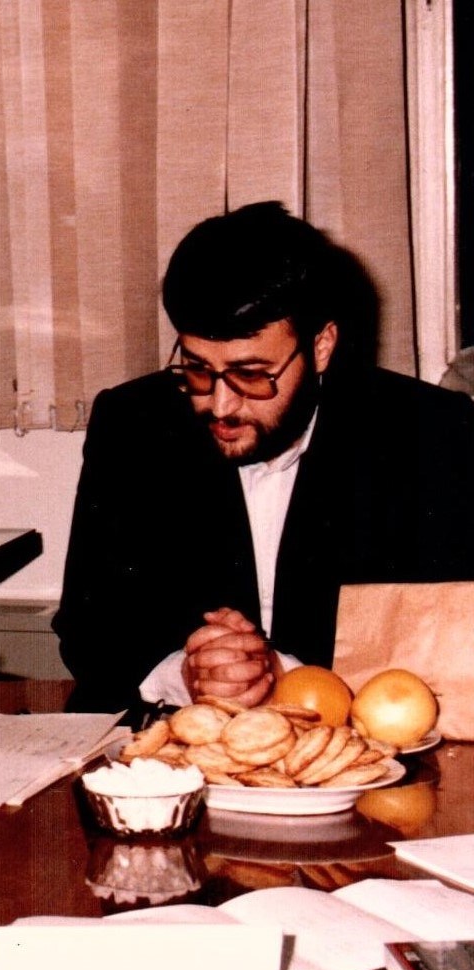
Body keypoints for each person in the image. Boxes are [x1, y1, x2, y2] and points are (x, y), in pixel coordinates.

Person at [57, 202, 474, 712]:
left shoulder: (429, 433)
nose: (220, 405)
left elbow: (448, 646)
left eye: (252, 374)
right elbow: (87, 629)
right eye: (197, 368)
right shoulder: (133, 424)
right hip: (182, 737)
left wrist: (282, 675)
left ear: (321, 346)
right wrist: (183, 672)